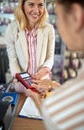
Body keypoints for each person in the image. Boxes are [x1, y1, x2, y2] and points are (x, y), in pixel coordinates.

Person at [28, 0, 84, 130]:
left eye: (58, 16)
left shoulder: (55, 111)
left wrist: (38, 103)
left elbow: (57, 114)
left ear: (76, 17)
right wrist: (56, 87)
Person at [4, 0, 55, 93]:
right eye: (31, 4)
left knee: (41, 106)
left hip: (42, 82)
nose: (36, 10)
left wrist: (45, 68)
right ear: (23, 6)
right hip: (22, 85)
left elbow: (50, 56)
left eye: (40, 5)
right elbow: (13, 59)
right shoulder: (11, 29)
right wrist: (17, 75)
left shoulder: (49, 29)